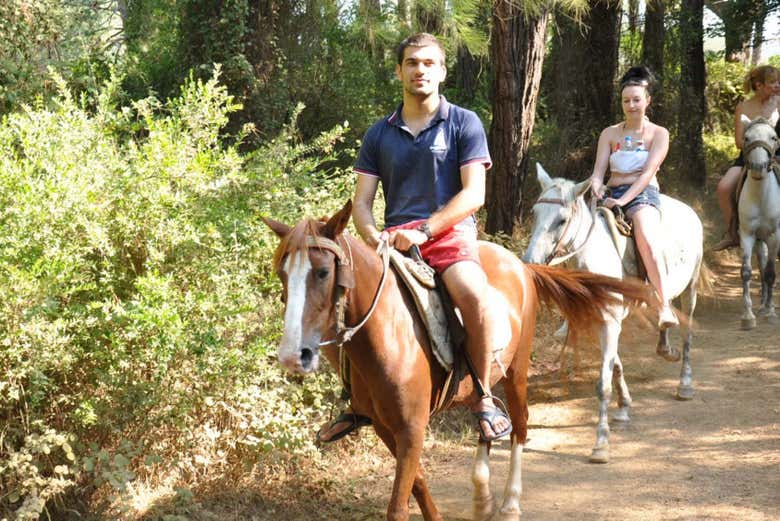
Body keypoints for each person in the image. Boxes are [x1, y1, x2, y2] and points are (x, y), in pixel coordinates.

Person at [317, 32, 511, 443]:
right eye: (411, 63)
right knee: (343, 303)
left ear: (441, 70)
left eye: (428, 63)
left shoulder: (463, 122)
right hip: (393, 242)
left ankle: (483, 396)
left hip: (448, 236)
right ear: (399, 71)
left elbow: (474, 194)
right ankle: (355, 400)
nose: (419, 70)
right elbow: (363, 204)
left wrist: (424, 230)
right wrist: (373, 236)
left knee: (473, 295)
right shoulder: (378, 133)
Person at [589, 66, 678, 331]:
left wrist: (623, 200)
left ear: (647, 101)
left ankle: (663, 305)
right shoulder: (609, 134)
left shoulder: (659, 134)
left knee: (647, 240)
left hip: (643, 193)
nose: (631, 105)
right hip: (611, 191)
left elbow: (647, 172)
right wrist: (596, 187)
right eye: (626, 100)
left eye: (636, 100)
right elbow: (598, 172)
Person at [713, 65, 780, 251]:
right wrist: (757, 149)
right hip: (748, 157)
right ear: (759, 85)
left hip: (777, 155)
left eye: (778, 82)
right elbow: (738, 141)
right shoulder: (743, 107)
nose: (777, 86)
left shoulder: (779, 103)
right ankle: (732, 234)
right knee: (723, 188)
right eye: (773, 82)